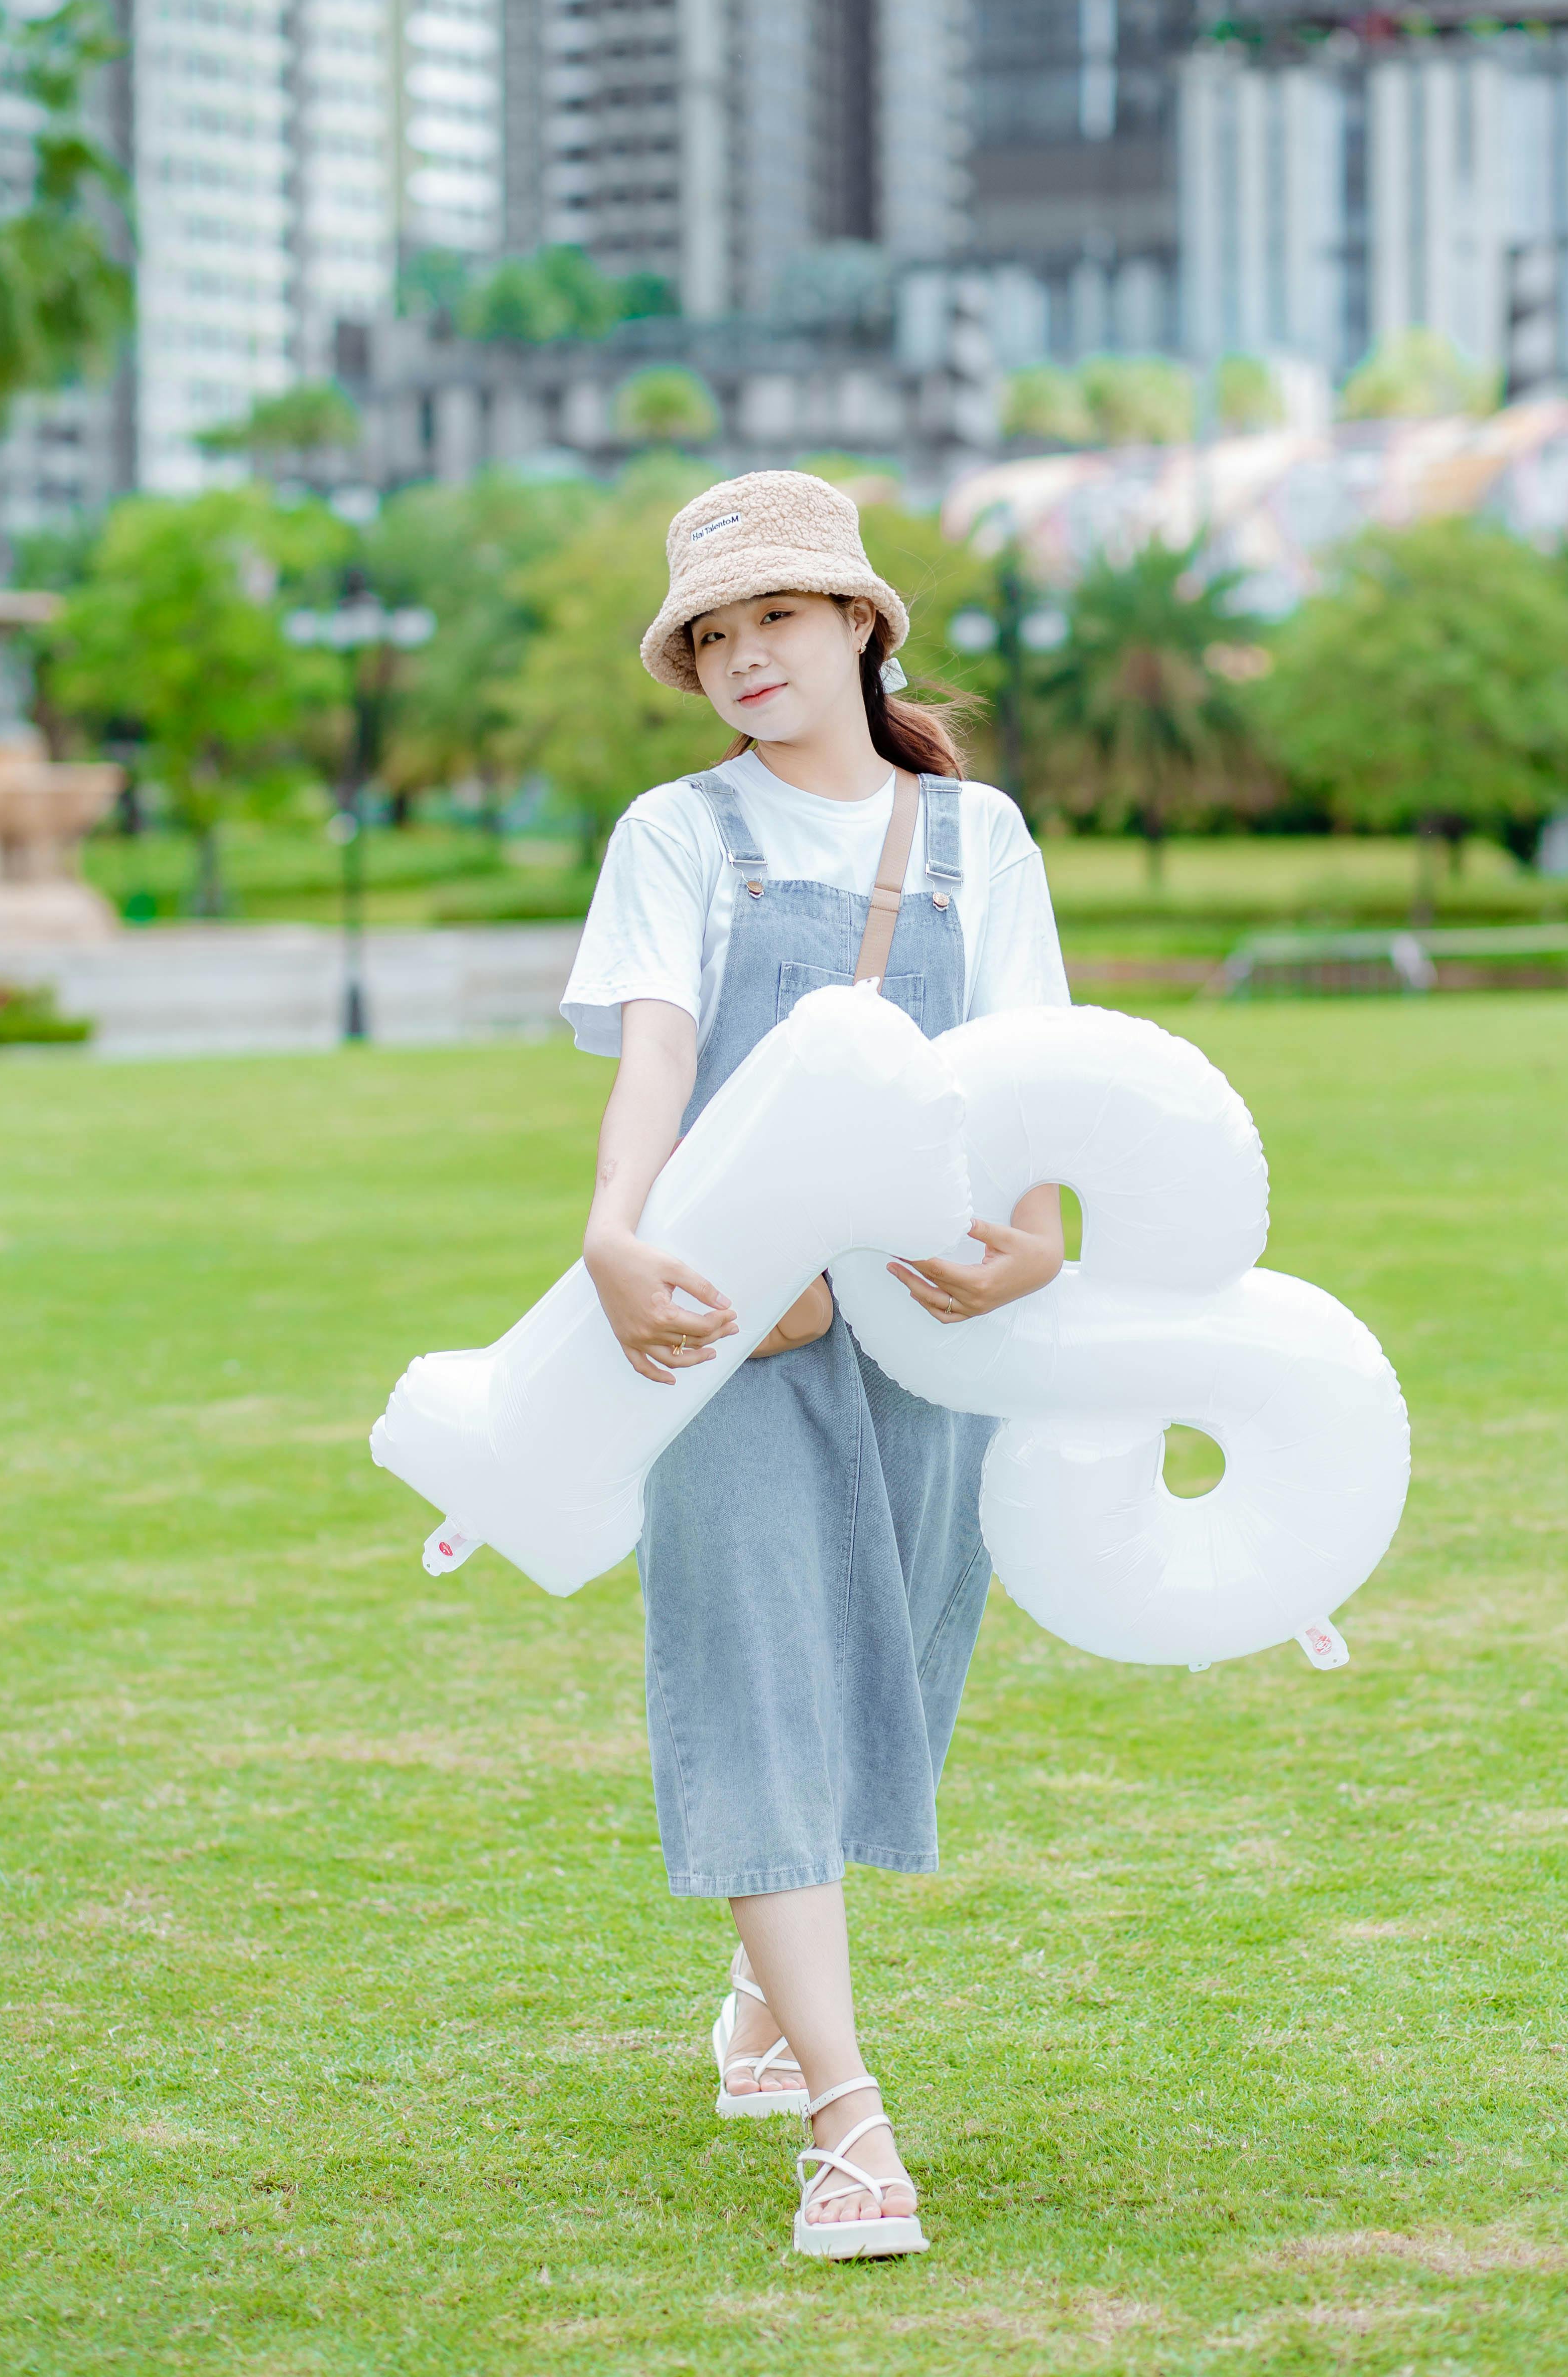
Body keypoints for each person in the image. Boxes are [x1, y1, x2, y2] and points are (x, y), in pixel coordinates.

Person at [560, 469, 1069, 2259]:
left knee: (892, 1675)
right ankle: (849, 2128)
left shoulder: (974, 839)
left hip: (930, 1316)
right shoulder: (677, 832)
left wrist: (1041, 1234)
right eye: (714, 633)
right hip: (729, 1314)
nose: (743, 657)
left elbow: (1026, 1073)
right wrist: (614, 1237)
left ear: (861, 623)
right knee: (760, 1663)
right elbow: (653, 1059)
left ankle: (766, 1988)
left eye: (777, 617)